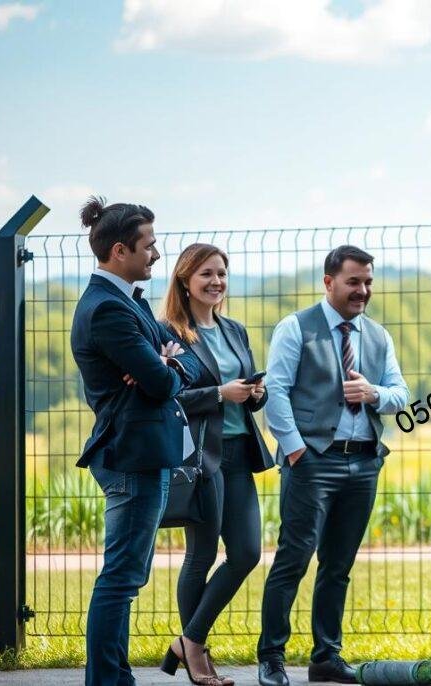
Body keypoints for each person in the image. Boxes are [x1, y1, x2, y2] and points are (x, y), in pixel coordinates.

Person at [256, 245, 409, 686]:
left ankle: (326, 658)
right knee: (293, 559)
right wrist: (296, 451)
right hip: (312, 462)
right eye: (353, 281)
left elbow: (400, 393)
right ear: (329, 282)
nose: (363, 290)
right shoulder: (296, 327)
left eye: (368, 282)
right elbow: (277, 392)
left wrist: (374, 393)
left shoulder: (378, 336)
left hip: (363, 463)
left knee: (338, 566)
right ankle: (271, 658)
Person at [70, 196, 203, 686]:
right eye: (149, 245)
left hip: (147, 453)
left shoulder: (129, 302)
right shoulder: (108, 309)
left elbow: (185, 363)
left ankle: (113, 678)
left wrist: (165, 363)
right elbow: (164, 381)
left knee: (128, 577)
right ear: (120, 250)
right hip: (132, 456)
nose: (156, 254)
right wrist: (162, 365)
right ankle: (108, 681)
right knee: (122, 578)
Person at [157, 243, 275, 685]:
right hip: (200, 457)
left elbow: (246, 393)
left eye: (221, 273)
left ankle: (186, 642)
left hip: (240, 452)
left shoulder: (235, 330)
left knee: (246, 553)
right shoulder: (167, 332)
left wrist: (255, 394)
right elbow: (164, 395)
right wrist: (219, 394)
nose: (216, 281)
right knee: (202, 554)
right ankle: (197, 655)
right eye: (206, 273)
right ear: (185, 280)